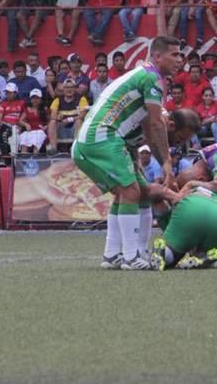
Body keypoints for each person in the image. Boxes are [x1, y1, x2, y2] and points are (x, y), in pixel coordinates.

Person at [72, 36, 181, 271]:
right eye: (174, 55)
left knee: (135, 192)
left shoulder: (143, 75)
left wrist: (148, 159)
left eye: (180, 55)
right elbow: (155, 125)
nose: (179, 60)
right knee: (131, 191)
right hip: (103, 136)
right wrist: (167, 163)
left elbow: (146, 128)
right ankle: (131, 257)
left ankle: (114, 254)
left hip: (96, 139)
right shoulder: (152, 78)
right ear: (158, 56)